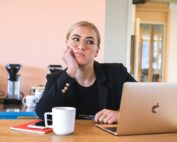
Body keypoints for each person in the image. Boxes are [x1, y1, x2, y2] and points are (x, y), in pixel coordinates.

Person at [35, 21, 136, 124]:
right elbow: (42, 113)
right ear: (67, 44)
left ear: (97, 50)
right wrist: (71, 70)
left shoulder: (117, 73)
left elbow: (147, 104)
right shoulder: (56, 79)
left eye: (90, 42)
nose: (81, 46)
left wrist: (121, 115)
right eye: (76, 39)